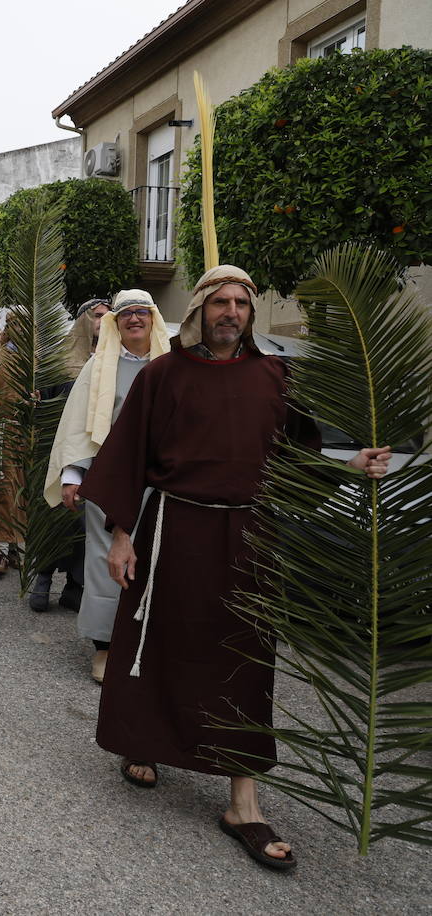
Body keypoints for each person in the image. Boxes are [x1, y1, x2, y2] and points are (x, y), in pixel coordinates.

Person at [78, 265, 391, 872]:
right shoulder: (165, 375)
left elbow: (298, 455)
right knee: (162, 642)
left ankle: (243, 803)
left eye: (241, 304)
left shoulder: (276, 376)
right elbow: (130, 456)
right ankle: (144, 744)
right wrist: (122, 537)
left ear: (251, 313)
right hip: (174, 527)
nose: (231, 313)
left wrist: (352, 463)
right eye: (220, 302)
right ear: (199, 310)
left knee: (245, 659)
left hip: (251, 533)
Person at [42, 290, 169, 683]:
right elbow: (78, 423)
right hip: (109, 477)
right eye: (126, 313)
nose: (134, 319)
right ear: (115, 322)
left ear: (153, 319)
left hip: (162, 479)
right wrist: (72, 476)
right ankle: (105, 648)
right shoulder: (98, 368)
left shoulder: (173, 367)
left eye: (141, 313)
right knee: (104, 565)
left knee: (159, 561)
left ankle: (151, 645)